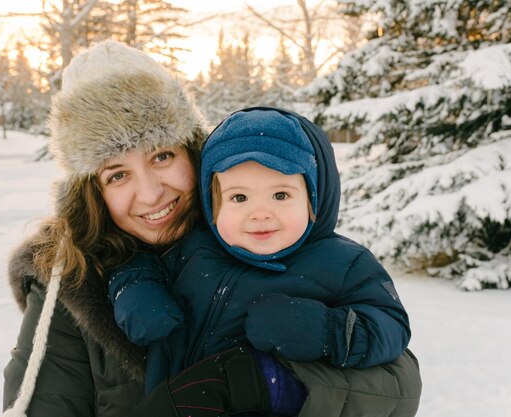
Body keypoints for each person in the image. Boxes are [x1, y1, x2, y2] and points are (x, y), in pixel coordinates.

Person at [2, 40, 421, 417]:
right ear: (91, 194)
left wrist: (265, 383)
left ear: (194, 152)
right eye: (117, 175)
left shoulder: (257, 238)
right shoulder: (67, 283)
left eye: (162, 156)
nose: (149, 194)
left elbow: (398, 383)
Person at [108, 107, 413, 416]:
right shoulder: (194, 248)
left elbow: (391, 326)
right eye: (239, 198)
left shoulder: (345, 263)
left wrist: (324, 331)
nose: (260, 213)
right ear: (214, 205)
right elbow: (138, 263)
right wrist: (135, 290)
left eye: (280, 195)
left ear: (314, 197)